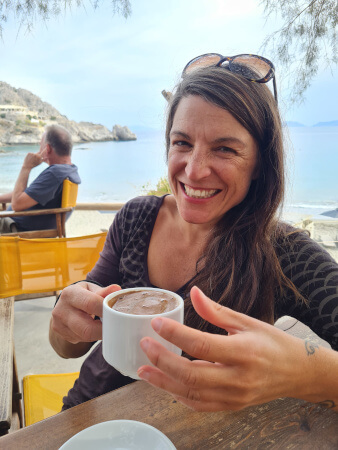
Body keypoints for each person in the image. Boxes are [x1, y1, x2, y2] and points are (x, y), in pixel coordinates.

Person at [49, 53, 338, 413]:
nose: (195, 170)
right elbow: (68, 345)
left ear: (261, 164)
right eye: (182, 142)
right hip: (87, 418)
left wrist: (305, 374)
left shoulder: (283, 253)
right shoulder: (137, 218)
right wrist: (64, 324)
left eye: (225, 149)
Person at [0, 124, 81, 233]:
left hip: (15, 231)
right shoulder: (69, 171)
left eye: (40, 144)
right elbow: (27, 195)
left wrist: (26, 167)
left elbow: (16, 204)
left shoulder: (54, 173)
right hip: (15, 227)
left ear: (47, 148)